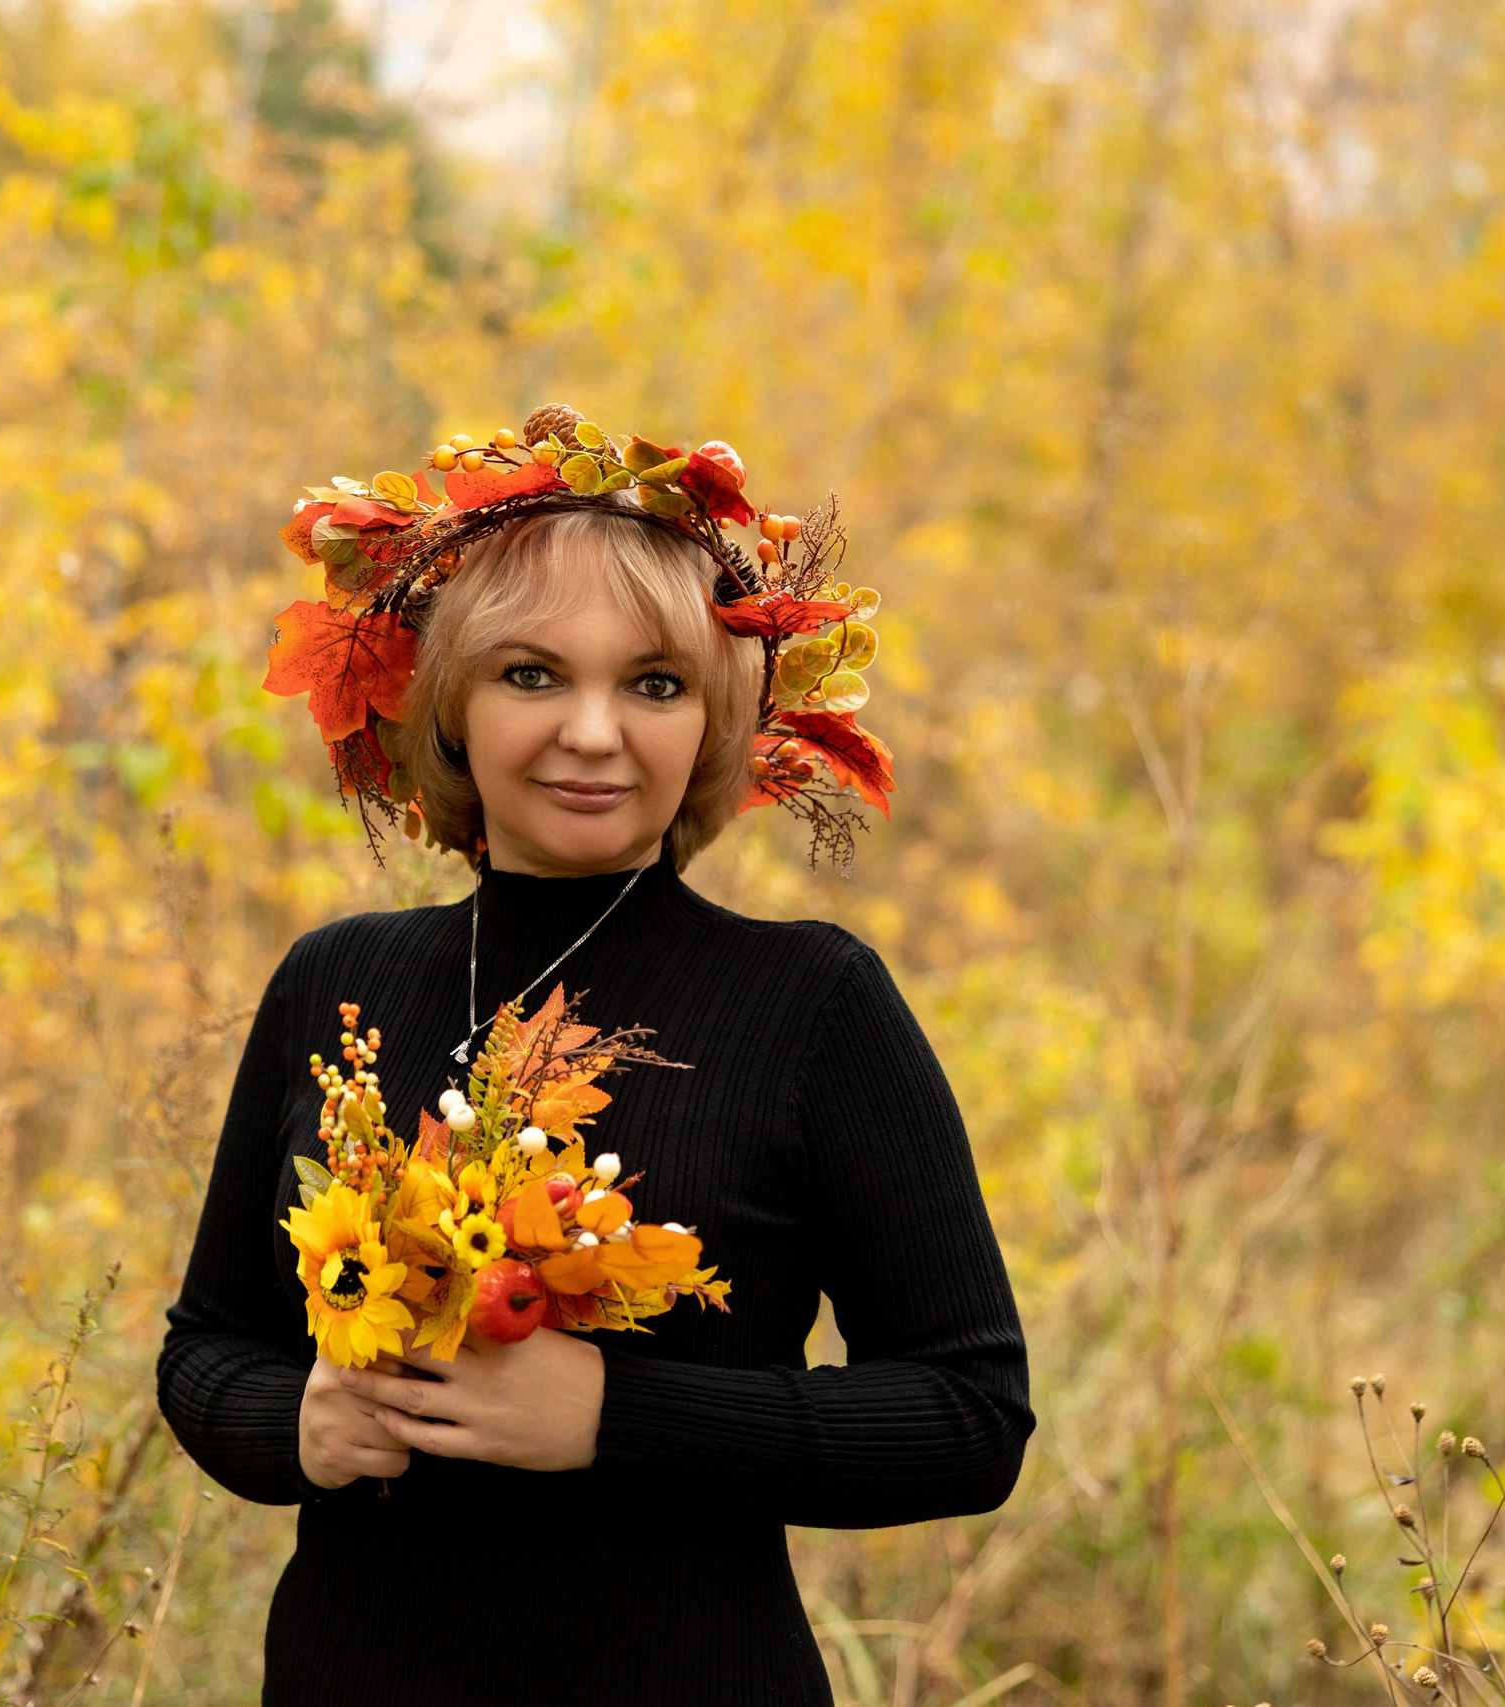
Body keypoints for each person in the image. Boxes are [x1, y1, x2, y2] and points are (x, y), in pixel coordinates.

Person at [157, 408, 1032, 1706]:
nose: (592, 732)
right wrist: (296, 1426)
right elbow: (208, 1348)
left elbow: (968, 1420)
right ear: (447, 696)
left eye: (654, 684)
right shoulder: (337, 983)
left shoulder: (811, 1004)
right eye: (531, 675)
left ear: (714, 716)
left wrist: (614, 1417)